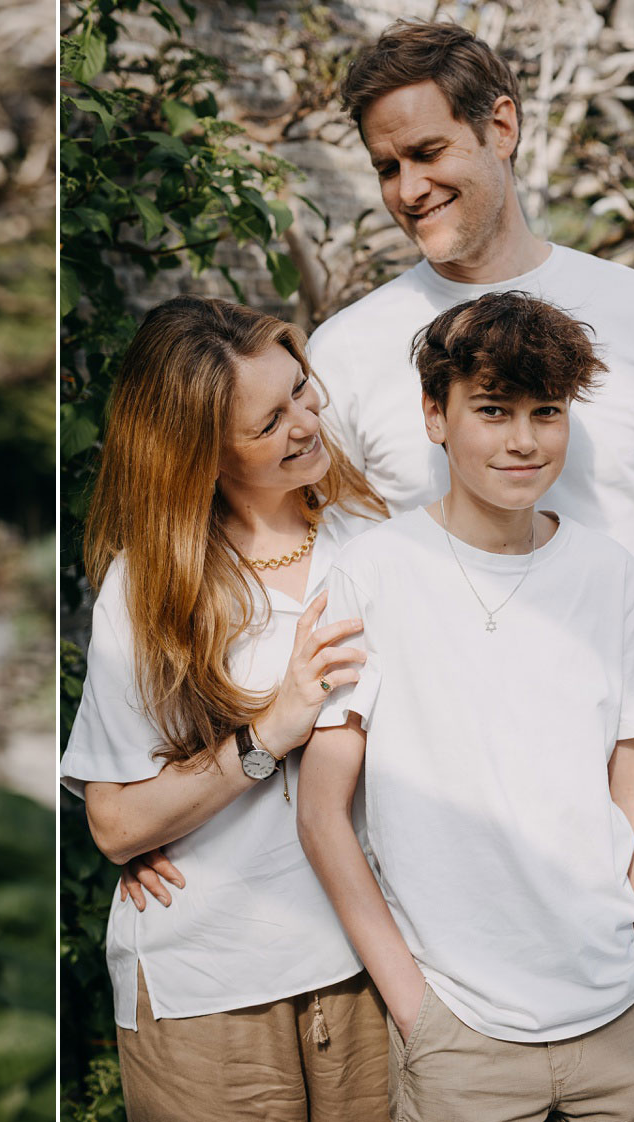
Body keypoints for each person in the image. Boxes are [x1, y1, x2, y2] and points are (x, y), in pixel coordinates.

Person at [301, 21, 634, 1120]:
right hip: (451, 827)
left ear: (500, 125)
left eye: (427, 153)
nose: (408, 187)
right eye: (386, 167)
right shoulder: (353, 351)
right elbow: (306, 568)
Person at [303, 290, 634, 1121]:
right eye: (492, 409)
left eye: (547, 411)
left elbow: (632, 786)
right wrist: (414, 1005)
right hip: (460, 1028)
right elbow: (322, 810)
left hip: (619, 1013)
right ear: (435, 417)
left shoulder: (609, 575)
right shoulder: (372, 574)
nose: (524, 439)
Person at [60, 295, 389, 1120]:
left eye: (302, 392)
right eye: (268, 422)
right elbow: (116, 824)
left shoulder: (380, 538)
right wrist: (270, 731)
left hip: (371, 964)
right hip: (209, 982)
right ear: (201, 456)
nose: (306, 425)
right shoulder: (148, 592)